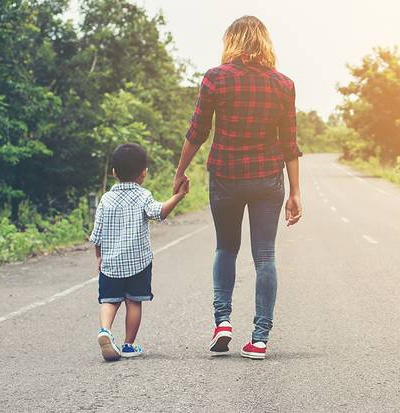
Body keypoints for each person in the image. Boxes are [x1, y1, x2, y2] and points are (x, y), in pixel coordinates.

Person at [173, 15, 303, 360]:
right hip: (267, 179)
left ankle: (223, 323)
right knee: (265, 257)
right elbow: (289, 144)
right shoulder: (283, 84)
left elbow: (197, 132)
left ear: (232, 41)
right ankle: (260, 339)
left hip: (226, 178)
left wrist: (180, 171)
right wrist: (295, 192)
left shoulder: (216, 78)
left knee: (226, 248)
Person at [90, 143, 189, 361]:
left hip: (111, 264)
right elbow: (160, 212)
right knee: (134, 302)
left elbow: (97, 233)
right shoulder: (143, 196)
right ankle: (128, 345)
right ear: (143, 173)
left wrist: (99, 256)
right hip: (138, 263)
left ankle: (105, 331)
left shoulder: (106, 199)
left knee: (109, 300)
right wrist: (178, 197)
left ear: (114, 172)